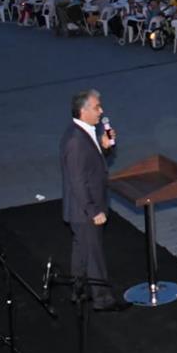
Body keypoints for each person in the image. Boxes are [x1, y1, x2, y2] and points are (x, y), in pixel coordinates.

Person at [60, 89, 128, 312]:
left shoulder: (83, 132)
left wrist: (104, 148)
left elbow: (93, 166)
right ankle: (103, 299)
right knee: (94, 254)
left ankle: (78, 291)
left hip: (80, 209)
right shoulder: (75, 141)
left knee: (82, 251)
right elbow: (77, 181)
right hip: (85, 209)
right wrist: (93, 210)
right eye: (97, 107)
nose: (101, 111)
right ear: (83, 110)